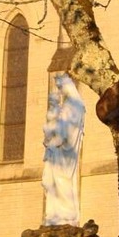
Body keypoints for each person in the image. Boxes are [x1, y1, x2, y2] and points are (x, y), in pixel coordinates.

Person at [42, 73, 84, 226]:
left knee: (61, 180)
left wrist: (54, 132)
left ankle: (65, 213)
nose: (60, 92)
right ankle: (55, 213)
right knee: (53, 181)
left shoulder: (74, 105)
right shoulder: (70, 105)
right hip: (57, 149)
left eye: (60, 87)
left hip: (64, 151)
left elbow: (66, 130)